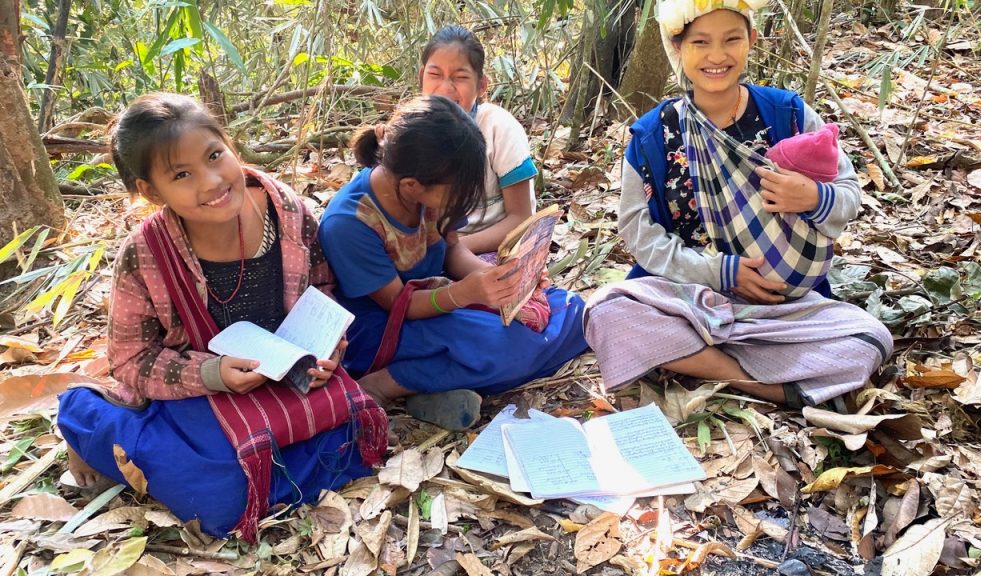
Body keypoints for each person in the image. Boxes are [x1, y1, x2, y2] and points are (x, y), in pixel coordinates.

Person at [57, 93, 387, 541]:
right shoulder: (144, 254)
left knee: (361, 443)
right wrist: (212, 373)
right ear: (152, 192)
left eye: (215, 155)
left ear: (229, 145)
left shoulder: (284, 210)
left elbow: (321, 288)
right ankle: (88, 418)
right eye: (182, 174)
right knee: (222, 501)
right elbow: (131, 359)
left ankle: (246, 467)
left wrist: (327, 346)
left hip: (284, 377)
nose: (212, 181)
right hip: (199, 387)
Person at [584, 0, 892, 408]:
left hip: (781, 309)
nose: (716, 56)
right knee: (606, 312)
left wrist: (814, 197)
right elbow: (639, 235)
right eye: (700, 42)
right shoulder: (651, 136)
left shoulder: (789, 114)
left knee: (871, 339)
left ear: (751, 40)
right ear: (678, 47)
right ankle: (759, 382)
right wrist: (721, 271)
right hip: (689, 300)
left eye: (731, 39)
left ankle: (695, 361)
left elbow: (850, 194)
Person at [319, 96, 587, 430]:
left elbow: (453, 250)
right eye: (456, 192)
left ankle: (437, 382)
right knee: (505, 346)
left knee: (570, 311)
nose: (462, 200)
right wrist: (466, 294)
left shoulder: (431, 186)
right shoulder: (349, 223)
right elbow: (400, 305)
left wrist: (499, 278)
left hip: (439, 297)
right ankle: (389, 382)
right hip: (383, 325)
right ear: (411, 186)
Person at [418, 25, 539, 261]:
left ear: (481, 85)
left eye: (460, 77)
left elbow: (521, 217)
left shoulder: (498, 127)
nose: (444, 88)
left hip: (496, 248)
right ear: (421, 76)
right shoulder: (411, 130)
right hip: (429, 250)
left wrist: (454, 248)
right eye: (435, 75)